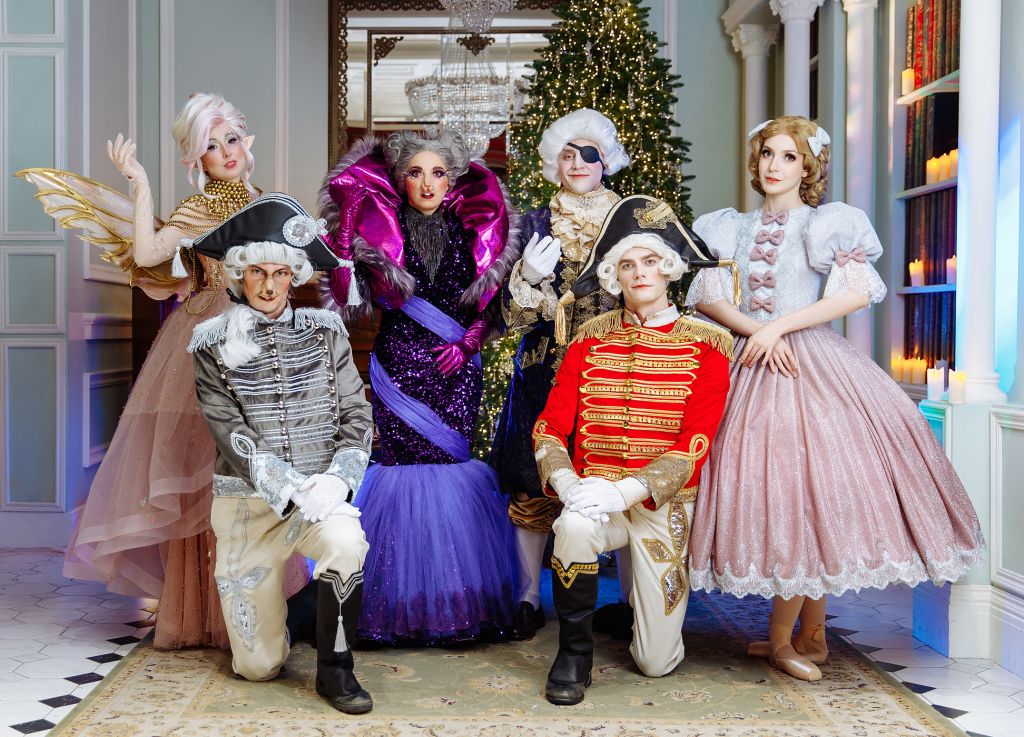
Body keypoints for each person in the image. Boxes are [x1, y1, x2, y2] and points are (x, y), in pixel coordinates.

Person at [686, 115, 985, 682]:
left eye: (789, 156)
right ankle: (804, 634)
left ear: (808, 167)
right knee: (784, 492)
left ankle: (796, 637)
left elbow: (852, 294)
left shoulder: (828, 223)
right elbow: (707, 298)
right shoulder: (727, 227)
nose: (775, 165)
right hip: (748, 361)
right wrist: (759, 332)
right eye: (768, 154)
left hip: (812, 362)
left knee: (813, 492)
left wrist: (780, 329)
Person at [19, 93, 307, 649]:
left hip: (263, 342)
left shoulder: (272, 205)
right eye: (210, 145)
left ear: (246, 142)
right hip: (204, 345)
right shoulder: (197, 210)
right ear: (196, 159)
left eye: (230, 139)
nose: (225, 151)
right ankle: (205, 614)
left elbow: (294, 272)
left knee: (259, 476)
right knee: (206, 478)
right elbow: (150, 255)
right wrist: (140, 184)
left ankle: (260, 611)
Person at [319, 130, 519, 644]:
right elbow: (343, 295)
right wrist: (348, 219)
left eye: (437, 173)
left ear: (452, 181)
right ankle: (395, 606)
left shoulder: (474, 231)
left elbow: (490, 302)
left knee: (450, 470)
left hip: (457, 370)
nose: (427, 183)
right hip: (398, 365)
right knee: (402, 471)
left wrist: (469, 344)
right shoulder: (378, 230)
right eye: (415, 172)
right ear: (399, 179)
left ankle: (454, 604)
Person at [532, 195, 732, 705]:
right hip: (594, 492)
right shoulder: (587, 341)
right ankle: (573, 656)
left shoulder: (708, 345)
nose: (639, 272)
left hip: (661, 502)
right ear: (613, 276)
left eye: (649, 261)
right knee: (573, 526)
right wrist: (568, 483)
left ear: (668, 269)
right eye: (627, 264)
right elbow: (550, 426)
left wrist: (628, 490)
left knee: (655, 663)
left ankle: (636, 618)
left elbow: (695, 442)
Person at [187, 193, 373, 714]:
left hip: (319, 496)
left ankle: (336, 670)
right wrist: (290, 487)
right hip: (248, 507)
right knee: (258, 667)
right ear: (240, 276)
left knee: (346, 541)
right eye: (258, 273)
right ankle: (301, 611)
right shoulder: (209, 344)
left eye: (280, 273)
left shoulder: (327, 333)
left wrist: (337, 481)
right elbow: (230, 432)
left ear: (294, 276)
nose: (269, 287)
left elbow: (357, 414)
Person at [490, 108, 631, 639]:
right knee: (533, 483)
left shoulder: (631, 218)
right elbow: (508, 319)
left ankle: (629, 604)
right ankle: (528, 598)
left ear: (606, 161)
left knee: (619, 480)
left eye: (589, 154)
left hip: (613, 368)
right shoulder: (530, 223)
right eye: (568, 154)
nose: (577, 163)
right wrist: (527, 277)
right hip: (541, 370)